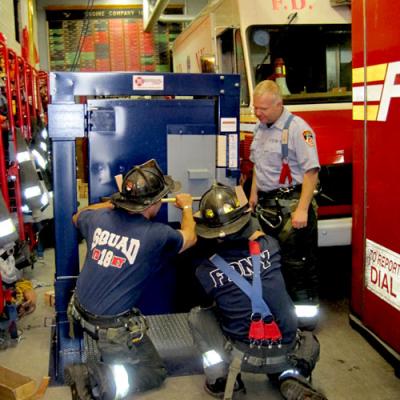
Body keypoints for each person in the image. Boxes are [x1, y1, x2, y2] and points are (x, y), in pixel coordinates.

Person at [65, 159, 197, 400]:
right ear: (154, 203)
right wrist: (186, 207)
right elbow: (190, 238)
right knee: (155, 372)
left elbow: (78, 216)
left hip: (79, 311)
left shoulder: (99, 219)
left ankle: (104, 364)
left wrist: (108, 205)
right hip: (110, 327)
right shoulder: (155, 235)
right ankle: (93, 380)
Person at [189, 182, 326, 400]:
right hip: (289, 349)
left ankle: (221, 381)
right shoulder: (270, 246)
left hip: (243, 355)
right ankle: (288, 375)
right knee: (306, 337)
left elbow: (208, 304)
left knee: (198, 316)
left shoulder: (205, 269)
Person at [249, 80, 320, 329]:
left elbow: (311, 172)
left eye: (263, 109)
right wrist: (253, 193)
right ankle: (280, 315)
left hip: (293, 206)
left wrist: (302, 209)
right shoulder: (260, 128)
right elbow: (258, 165)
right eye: (255, 108)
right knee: (269, 264)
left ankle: (304, 323)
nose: (258, 113)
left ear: (279, 104)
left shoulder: (298, 129)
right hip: (267, 206)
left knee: (297, 266)